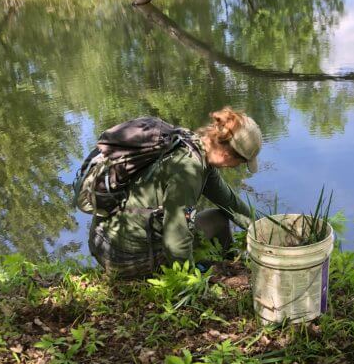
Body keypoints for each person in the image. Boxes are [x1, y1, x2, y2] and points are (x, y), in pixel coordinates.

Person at [88, 107, 261, 278]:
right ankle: (224, 269)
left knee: (218, 216)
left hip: (102, 240)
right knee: (214, 227)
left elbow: (229, 203)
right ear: (226, 153)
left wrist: (263, 230)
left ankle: (228, 263)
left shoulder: (190, 143)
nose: (237, 166)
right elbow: (176, 239)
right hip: (124, 258)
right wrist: (190, 280)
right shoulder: (189, 172)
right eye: (240, 162)